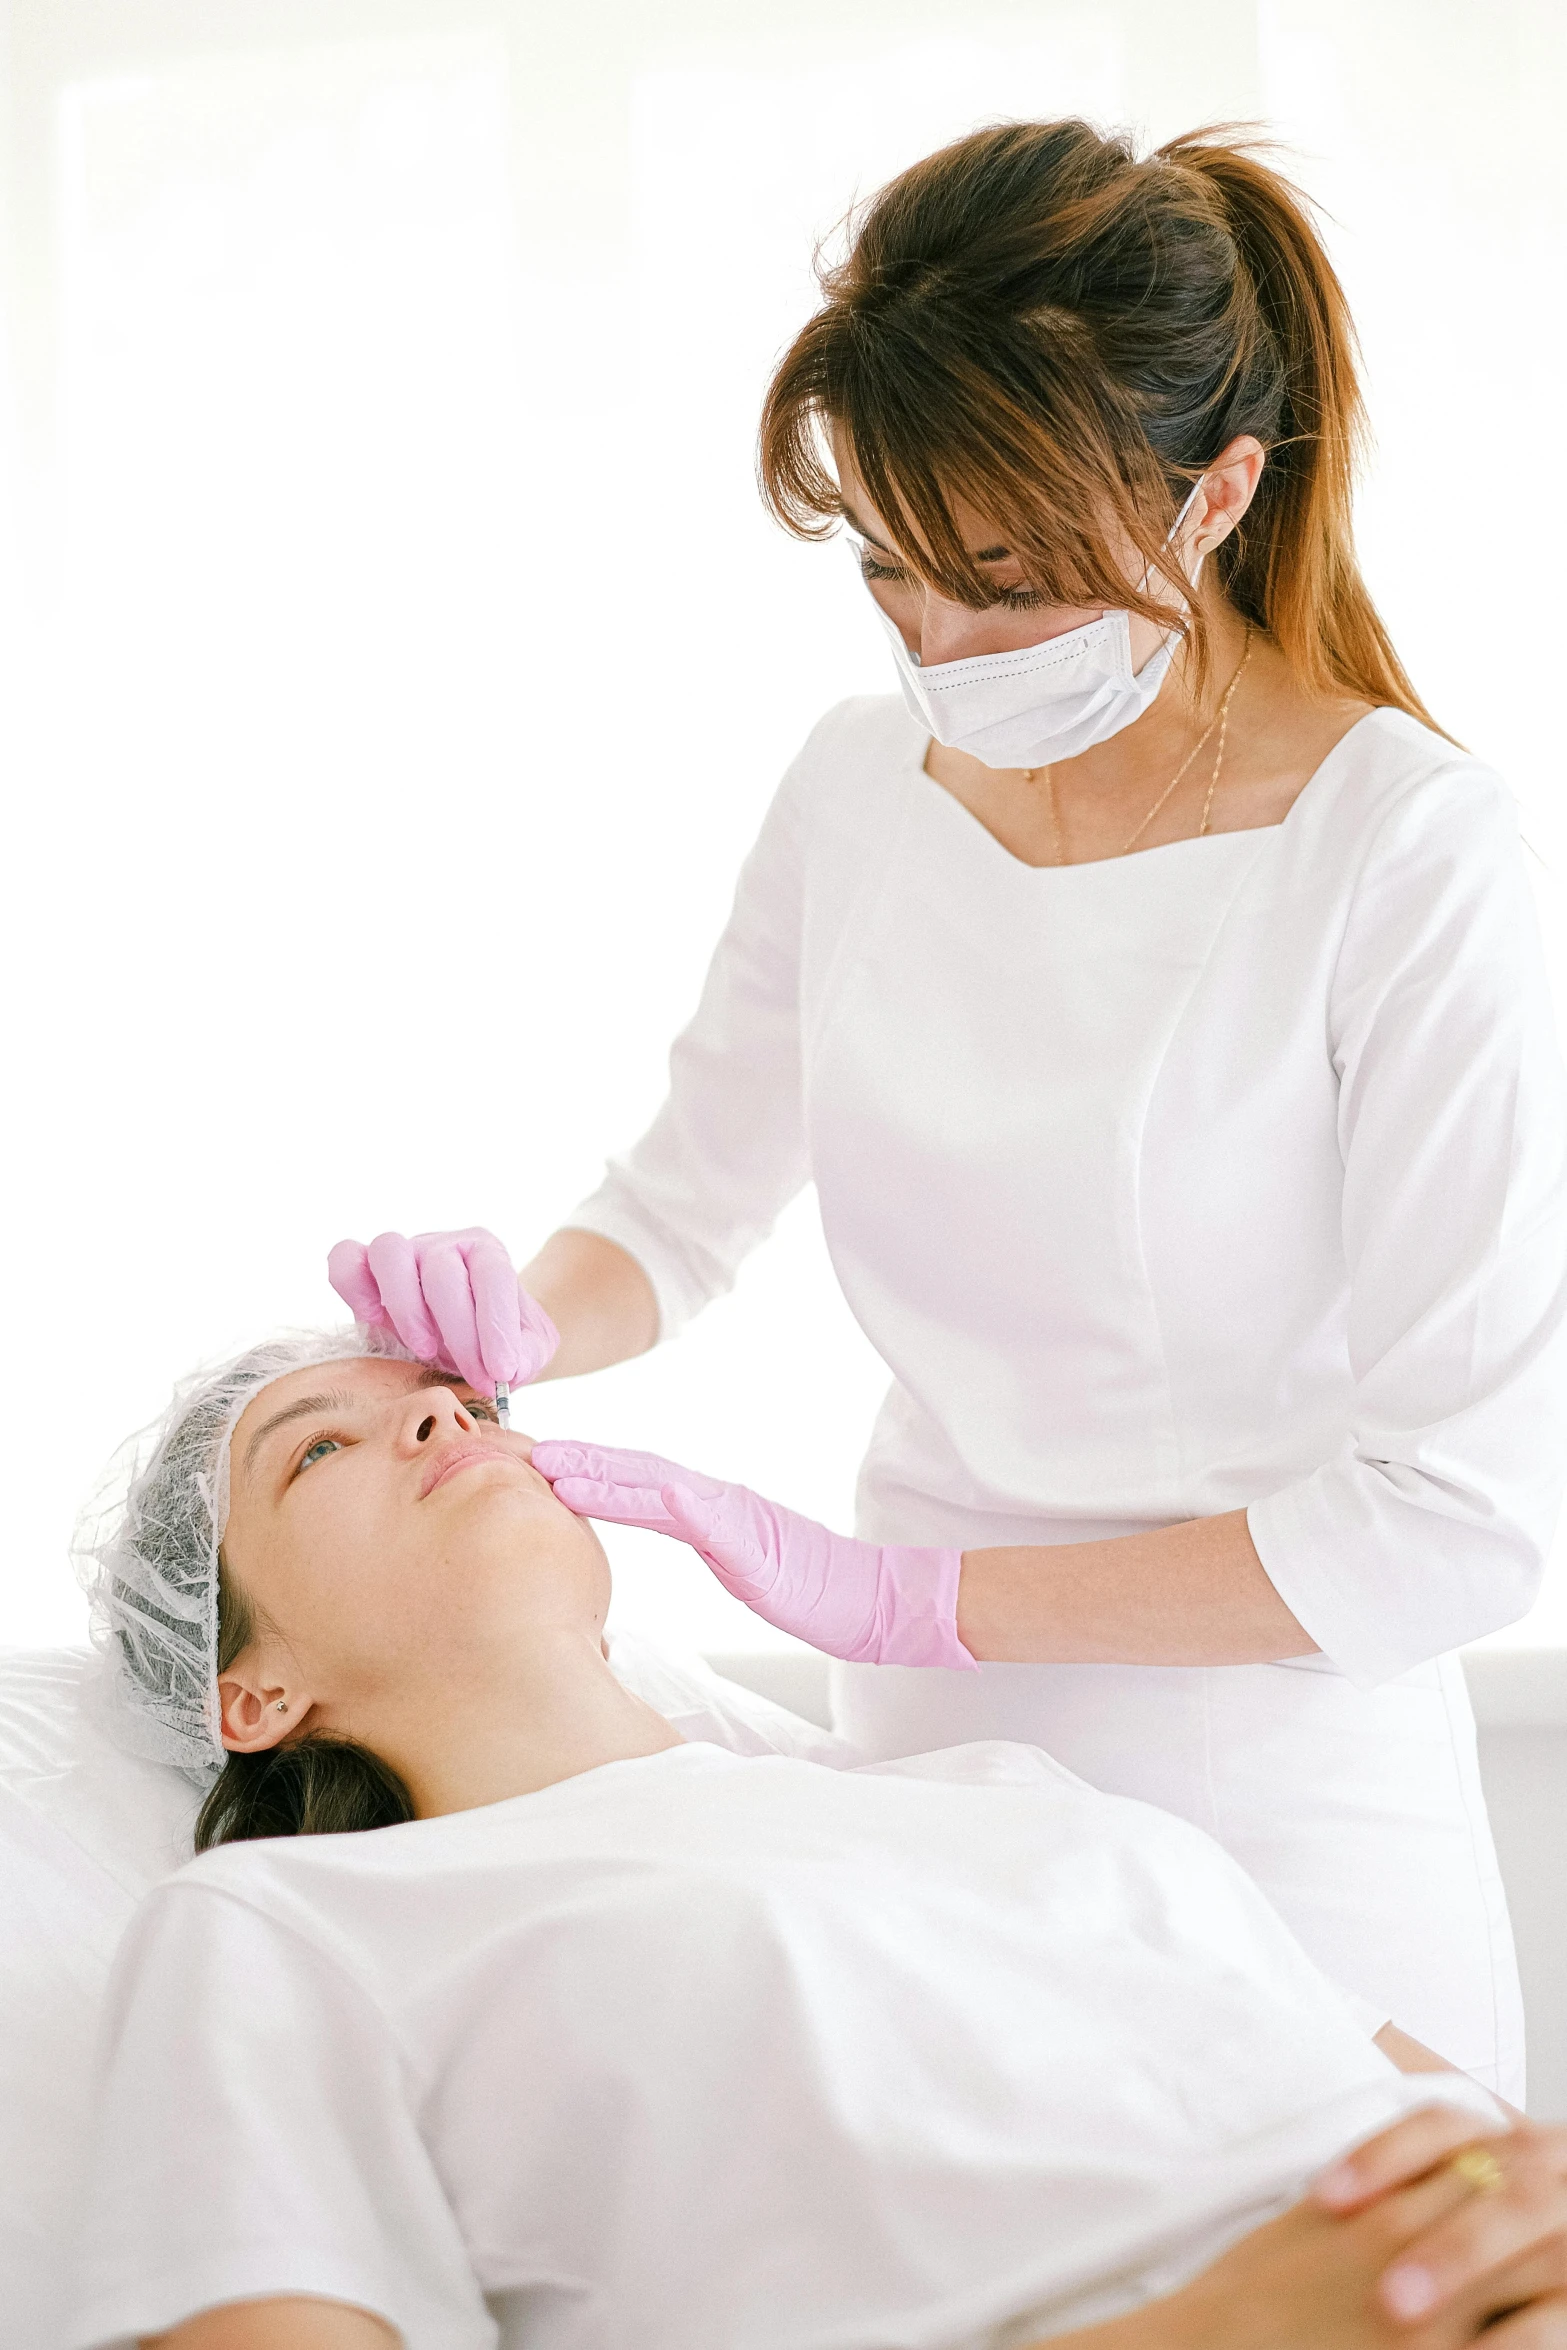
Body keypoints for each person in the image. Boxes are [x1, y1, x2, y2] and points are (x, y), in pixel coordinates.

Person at [327, 120, 1567, 2103]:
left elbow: (1454, 1523)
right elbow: (678, 1208)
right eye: (895, 568)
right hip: (923, 1761)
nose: (941, 647)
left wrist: (920, 1596)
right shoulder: (855, 788)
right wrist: (517, 1320)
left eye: (1004, 577)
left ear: (1222, 488)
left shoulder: (1409, 856)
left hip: (1278, 1778)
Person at [68, 1332, 1567, 2350]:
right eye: (315, 1448)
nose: (441, 1418)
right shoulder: (290, 1927)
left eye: (464, 1403)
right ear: (250, 1689)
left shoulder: (996, 1787)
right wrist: (1211, 2328)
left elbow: (1485, 2135)